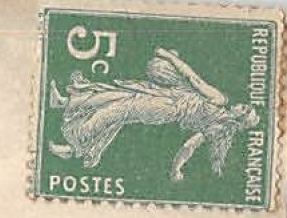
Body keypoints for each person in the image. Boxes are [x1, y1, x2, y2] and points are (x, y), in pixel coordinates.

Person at [48, 47, 258, 180]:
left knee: (116, 111)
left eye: (245, 109)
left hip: (166, 106)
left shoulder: (220, 101)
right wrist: (177, 169)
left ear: (240, 117)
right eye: (247, 106)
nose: (243, 105)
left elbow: (193, 79)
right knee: (119, 95)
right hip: (168, 98)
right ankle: (65, 102)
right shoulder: (218, 126)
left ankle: (74, 146)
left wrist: (169, 57)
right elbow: (189, 146)